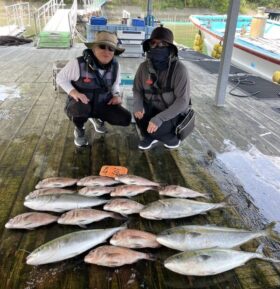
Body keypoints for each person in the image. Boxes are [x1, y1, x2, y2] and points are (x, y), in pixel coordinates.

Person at [56, 31, 132, 147]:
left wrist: (116, 95)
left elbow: (116, 84)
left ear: (114, 52)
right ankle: (79, 128)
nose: (106, 51)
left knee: (125, 118)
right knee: (80, 110)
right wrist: (74, 93)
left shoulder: (116, 66)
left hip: (102, 103)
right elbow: (60, 77)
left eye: (111, 49)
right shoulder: (77, 63)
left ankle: (98, 118)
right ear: (94, 49)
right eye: (102, 47)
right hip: (82, 103)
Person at [133, 26, 191, 150]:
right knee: (138, 114)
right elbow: (137, 90)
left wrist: (159, 118)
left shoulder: (180, 69)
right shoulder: (143, 67)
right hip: (151, 108)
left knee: (157, 129)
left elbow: (183, 101)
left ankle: (171, 139)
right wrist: (138, 104)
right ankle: (148, 135)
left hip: (171, 112)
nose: (158, 46)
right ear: (149, 46)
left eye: (163, 44)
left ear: (171, 48)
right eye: (154, 43)